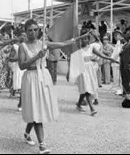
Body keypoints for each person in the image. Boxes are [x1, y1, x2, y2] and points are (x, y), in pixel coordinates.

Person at [18, 19, 86, 154]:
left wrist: (78, 38)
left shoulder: (44, 44)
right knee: (35, 109)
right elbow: (21, 66)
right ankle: (42, 145)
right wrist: (37, 56)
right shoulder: (22, 46)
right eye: (30, 30)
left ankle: (27, 133)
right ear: (25, 32)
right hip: (31, 78)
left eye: (35, 29)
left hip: (43, 77)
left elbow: (63, 43)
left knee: (37, 109)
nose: (33, 32)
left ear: (38, 30)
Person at [70, 29, 118, 116]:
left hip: (90, 69)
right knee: (87, 89)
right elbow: (73, 41)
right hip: (82, 71)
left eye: (86, 39)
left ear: (89, 40)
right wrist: (82, 36)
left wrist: (110, 58)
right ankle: (92, 108)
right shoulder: (78, 50)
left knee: (87, 89)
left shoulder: (91, 47)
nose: (84, 41)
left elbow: (101, 55)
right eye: (83, 39)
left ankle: (78, 104)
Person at [8, 30, 27, 111]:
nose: (24, 37)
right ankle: (21, 104)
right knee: (22, 86)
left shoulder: (28, 45)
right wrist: (18, 58)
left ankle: (21, 103)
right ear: (19, 37)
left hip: (26, 67)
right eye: (22, 35)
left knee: (25, 87)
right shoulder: (15, 46)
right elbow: (10, 58)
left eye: (25, 35)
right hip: (18, 67)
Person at [110, 30, 124, 95]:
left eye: (116, 35)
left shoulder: (120, 42)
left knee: (118, 77)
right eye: (114, 35)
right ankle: (116, 89)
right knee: (116, 77)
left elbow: (117, 53)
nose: (115, 37)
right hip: (115, 62)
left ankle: (119, 89)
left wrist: (112, 58)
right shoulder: (118, 43)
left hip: (117, 61)